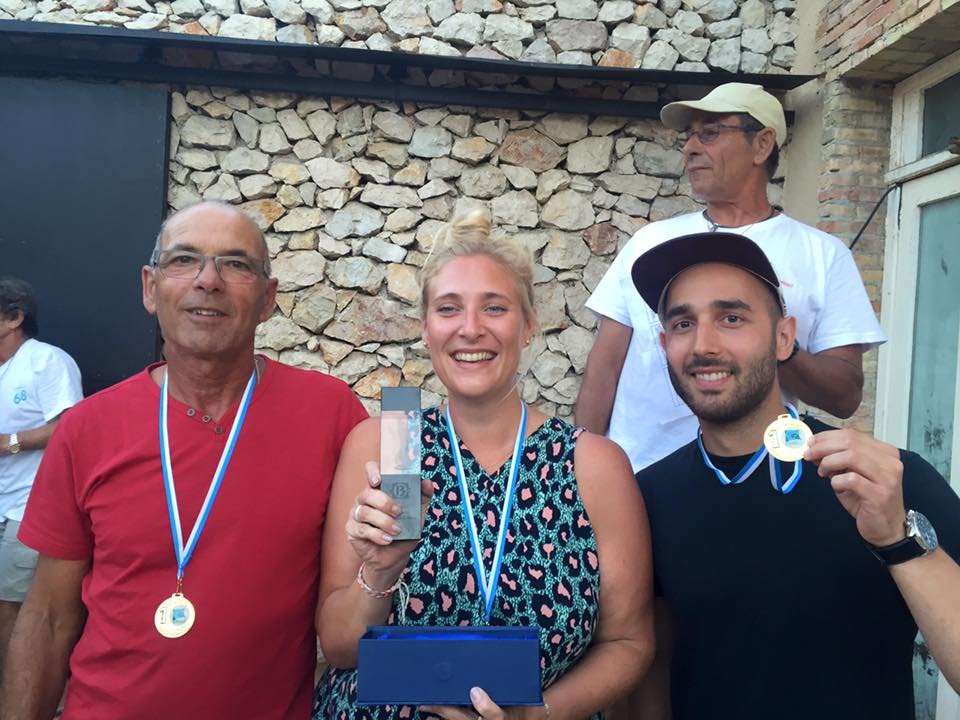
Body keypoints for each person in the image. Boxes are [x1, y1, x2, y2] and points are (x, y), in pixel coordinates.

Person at [1, 201, 367, 719]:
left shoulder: (330, 414)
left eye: (236, 264)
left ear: (268, 299)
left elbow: (365, 586)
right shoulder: (87, 429)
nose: (208, 280)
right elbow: (48, 616)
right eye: (184, 260)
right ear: (150, 288)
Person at [313, 211, 654, 720]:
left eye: (494, 308)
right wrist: (380, 570)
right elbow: (340, 648)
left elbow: (629, 642)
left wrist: (532, 717)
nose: (470, 329)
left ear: (529, 326)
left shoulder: (593, 464)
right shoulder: (391, 445)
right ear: (426, 328)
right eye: (448, 309)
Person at [625, 231, 960, 719]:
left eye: (731, 318)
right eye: (682, 324)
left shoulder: (886, 479)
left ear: (784, 338)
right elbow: (653, 665)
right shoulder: (648, 496)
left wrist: (896, 539)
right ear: (664, 344)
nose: (703, 344)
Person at [576, 82, 887, 472]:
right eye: (689, 136)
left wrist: (774, 346)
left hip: (760, 479)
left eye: (709, 133)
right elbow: (604, 368)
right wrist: (579, 473)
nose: (690, 148)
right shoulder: (650, 244)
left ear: (762, 145)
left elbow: (844, 397)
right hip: (638, 477)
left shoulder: (822, 255)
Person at [0, 277, 82, 677]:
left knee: (13, 609)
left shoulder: (46, 361)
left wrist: (9, 442)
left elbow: (71, 425)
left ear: (14, 317)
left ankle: (17, 692)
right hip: (4, 503)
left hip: (29, 507)